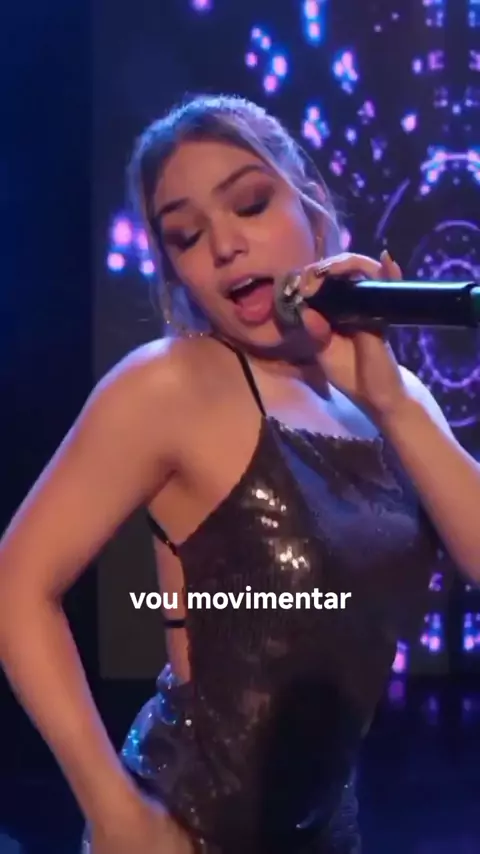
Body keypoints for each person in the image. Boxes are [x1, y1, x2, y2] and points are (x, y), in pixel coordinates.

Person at [0, 93, 479, 854]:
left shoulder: (389, 396)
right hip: (187, 830)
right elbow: (15, 585)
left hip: (327, 833)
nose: (224, 245)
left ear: (311, 207)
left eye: (251, 204)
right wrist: (113, 809)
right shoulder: (168, 386)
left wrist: (391, 401)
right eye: (186, 235)